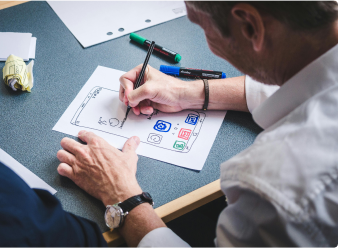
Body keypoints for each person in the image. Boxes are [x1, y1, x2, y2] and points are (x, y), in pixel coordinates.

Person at [56, 0, 338, 247]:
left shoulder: (276, 191)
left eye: (201, 25)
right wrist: (188, 92)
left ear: (250, 26)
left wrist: (123, 197)